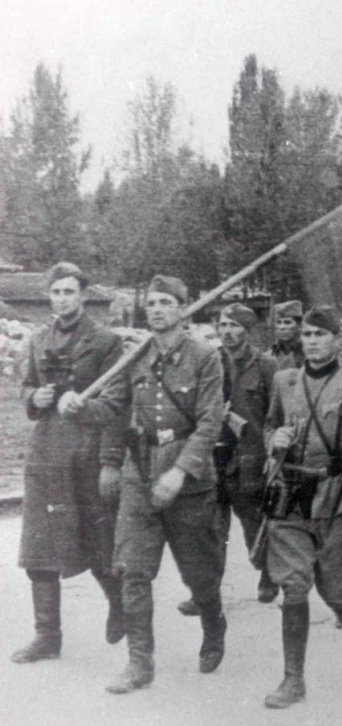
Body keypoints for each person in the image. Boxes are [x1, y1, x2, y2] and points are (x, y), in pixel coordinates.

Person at [62, 275, 227, 694]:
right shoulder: (133, 356)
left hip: (188, 481)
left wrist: (180, 471)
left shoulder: (205, 357)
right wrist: (78, 406)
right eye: (151, 303)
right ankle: (139, 663)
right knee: (132, 571)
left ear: (183, 309)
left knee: (199, 574)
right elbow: (113, 410)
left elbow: (210, 423)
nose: (156, 309)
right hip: (139, 473)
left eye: (166, 302)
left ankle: (214, 624)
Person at [261, 307, 342, 708]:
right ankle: (293, 679)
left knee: (336, 589)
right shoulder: (284, 381)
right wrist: (274, 440)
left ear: (337, 340)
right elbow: (269, 426)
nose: (311, 341)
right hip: (290, 495)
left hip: (335, 497)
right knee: (293, 585)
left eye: (320, 334)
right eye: (307, 334)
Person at [12, 262, 126, 664]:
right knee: (39, 545)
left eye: (69, 291)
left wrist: (85, 409)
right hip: (45, 452)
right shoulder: (38, 338)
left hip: (86, 451)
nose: (62, 299)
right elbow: (26, 383)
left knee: (94, 540)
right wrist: (34, 398)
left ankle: (120, 604)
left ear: (83, 295)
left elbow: (117, 403)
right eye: (56, 292)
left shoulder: (106, 340)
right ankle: (47, 636)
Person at [211, 304, 279, 602]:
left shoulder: (265, 365)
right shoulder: (210, 361)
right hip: (213, 455)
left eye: (234, 326)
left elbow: (276, 413)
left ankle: (267, 572)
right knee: (211, 527)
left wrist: (273, 454)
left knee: (253, 522)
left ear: (248, 331)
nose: (227, 331)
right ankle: (207, 590)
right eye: (223, 325)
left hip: (249, 458)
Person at [271, 300, 304, 370]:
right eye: (278, 322)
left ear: (299, 325)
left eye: (287, 322)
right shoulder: (271, 352)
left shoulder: (309, 350)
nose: (282, 327)